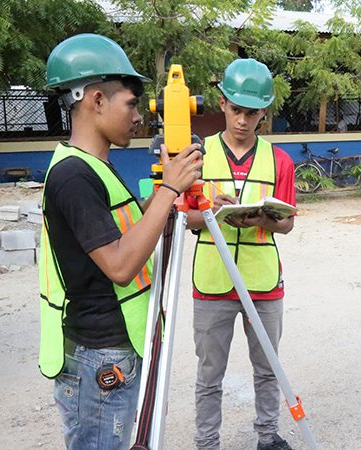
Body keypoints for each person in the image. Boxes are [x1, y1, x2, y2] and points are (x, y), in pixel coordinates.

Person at [38, 33, 202, 449]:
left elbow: (122, 229)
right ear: (95, 100)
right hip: (98, 355)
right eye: (130, 104)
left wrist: (173, 197)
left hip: (114, 347)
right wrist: (168, 191)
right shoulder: (74, 176)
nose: (139, 117)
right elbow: (120, 265)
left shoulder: (96, 167)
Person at [185, 58, 297, 450]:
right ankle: (206, 443)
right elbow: (187, 220)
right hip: (213, 279)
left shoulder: (280, 160)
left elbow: (287, 223)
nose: (243, 120)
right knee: (209, 373)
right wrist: (212, 212)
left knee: (268, 369)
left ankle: (267, 437)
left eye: (252, 113)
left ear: (263, 112)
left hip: (263, 280)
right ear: (222, 104)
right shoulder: (197, 156)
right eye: (236, 110)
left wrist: (256, 220)